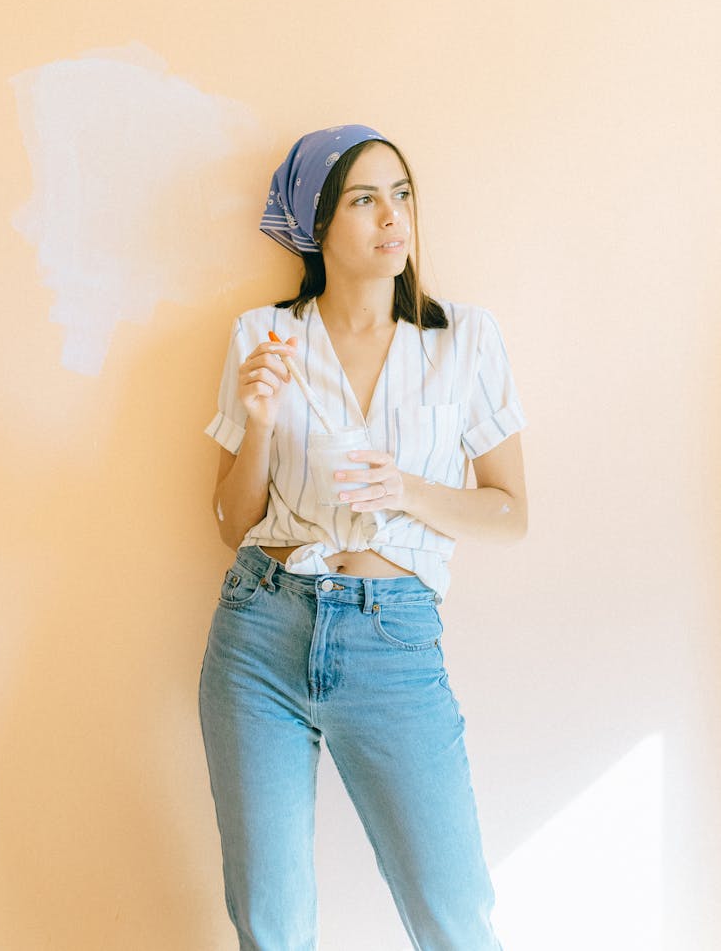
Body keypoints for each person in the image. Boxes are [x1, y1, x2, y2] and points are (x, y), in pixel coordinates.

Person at [199, 124, 528, 950]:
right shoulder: (262, 336)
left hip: (394, 636)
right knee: (270, 924)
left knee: (455, 918)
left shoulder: (465, 338)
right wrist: (261, 424)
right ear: (318, 224)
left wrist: (410, 490)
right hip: (260, 631)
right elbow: (231, 520)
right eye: (364, 198)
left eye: (403, 194)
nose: (394, 216)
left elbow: (510, 511)